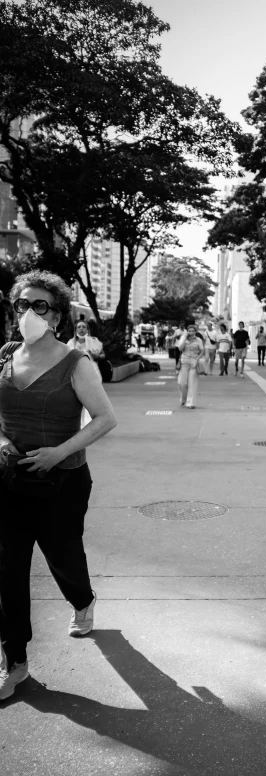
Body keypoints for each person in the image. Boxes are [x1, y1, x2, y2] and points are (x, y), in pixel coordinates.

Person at [0, 271, 117, 701]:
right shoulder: (6, 354)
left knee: (63, 557)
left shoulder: (76, 363)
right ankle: (14, 663)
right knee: (7, 570)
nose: (29, 313)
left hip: (62, 482)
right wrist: (3, 441)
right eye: (21, 305)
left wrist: (56, 452)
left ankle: (82, 601)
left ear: (58, 315)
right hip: (9, 480)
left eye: (40, 305)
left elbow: (106, 418)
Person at [177, 324, 204, 409]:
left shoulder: (198, 339)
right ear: (187, 331)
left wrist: (197, 359)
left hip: (193, 361)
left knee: (192, 383)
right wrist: (184, 337)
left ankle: (190, 403)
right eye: (189, 331)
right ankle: (183, 398)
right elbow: (180, 348)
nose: (191, 332)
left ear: (195, 332)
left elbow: (202, 351)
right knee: (182, 382)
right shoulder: (183, 338)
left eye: (193, 331)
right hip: (184, 361)